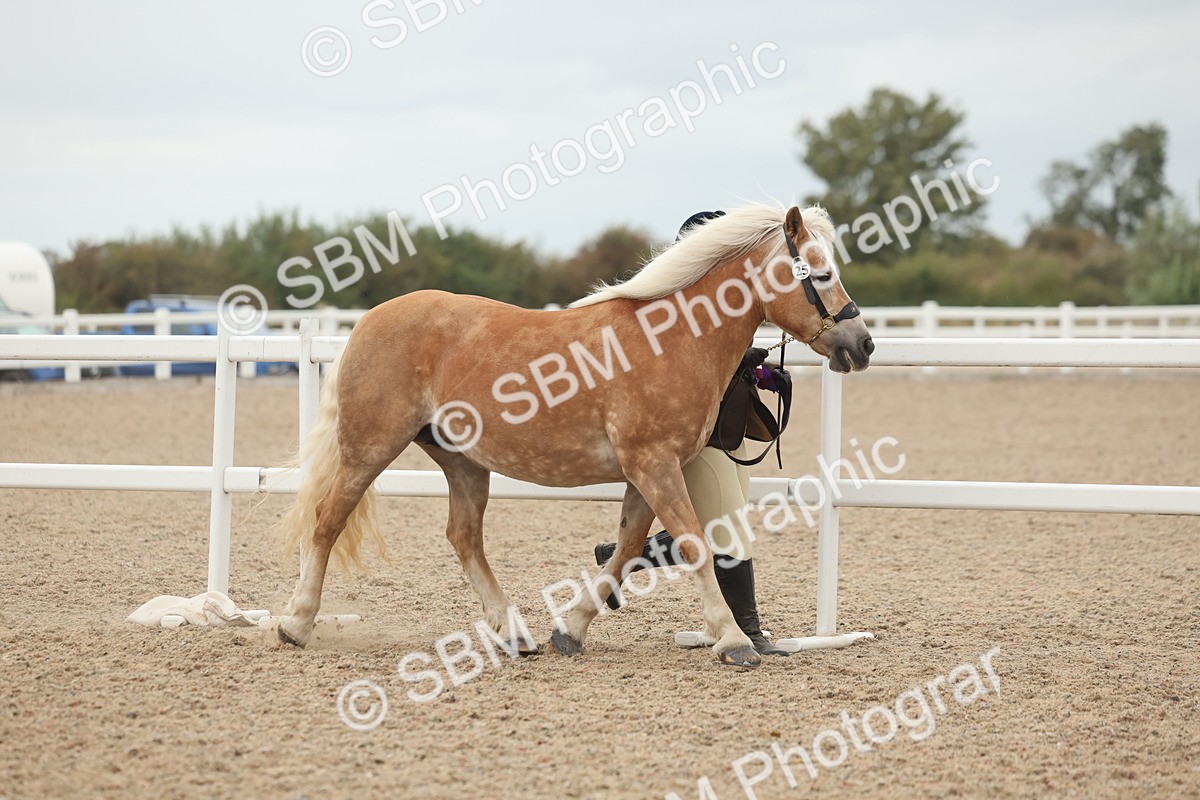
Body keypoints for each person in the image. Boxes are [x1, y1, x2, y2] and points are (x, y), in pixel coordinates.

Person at [593, 210, 793, 657]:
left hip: (728, 425)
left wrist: (753, 364)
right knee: (728, 525)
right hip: (694, 434)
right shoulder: (672, 313)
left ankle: (622, 554)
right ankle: (747, 630)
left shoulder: (730, 306)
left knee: (717, 520)